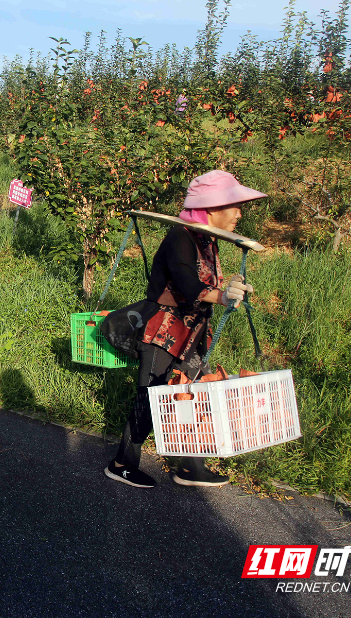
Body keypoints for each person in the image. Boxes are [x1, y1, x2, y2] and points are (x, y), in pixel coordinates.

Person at [104, 170, 265, 488]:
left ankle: (191, 467)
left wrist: (230, 287)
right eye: (233, 205)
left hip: (191, 334)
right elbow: (188, 285)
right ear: (212, 207)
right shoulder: (180, 237)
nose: (238, 213)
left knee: (194, 394)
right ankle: (122, 463)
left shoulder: (206, 239)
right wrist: (221, 295)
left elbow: (207, 282)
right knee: (150, 397)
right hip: (163, 333)